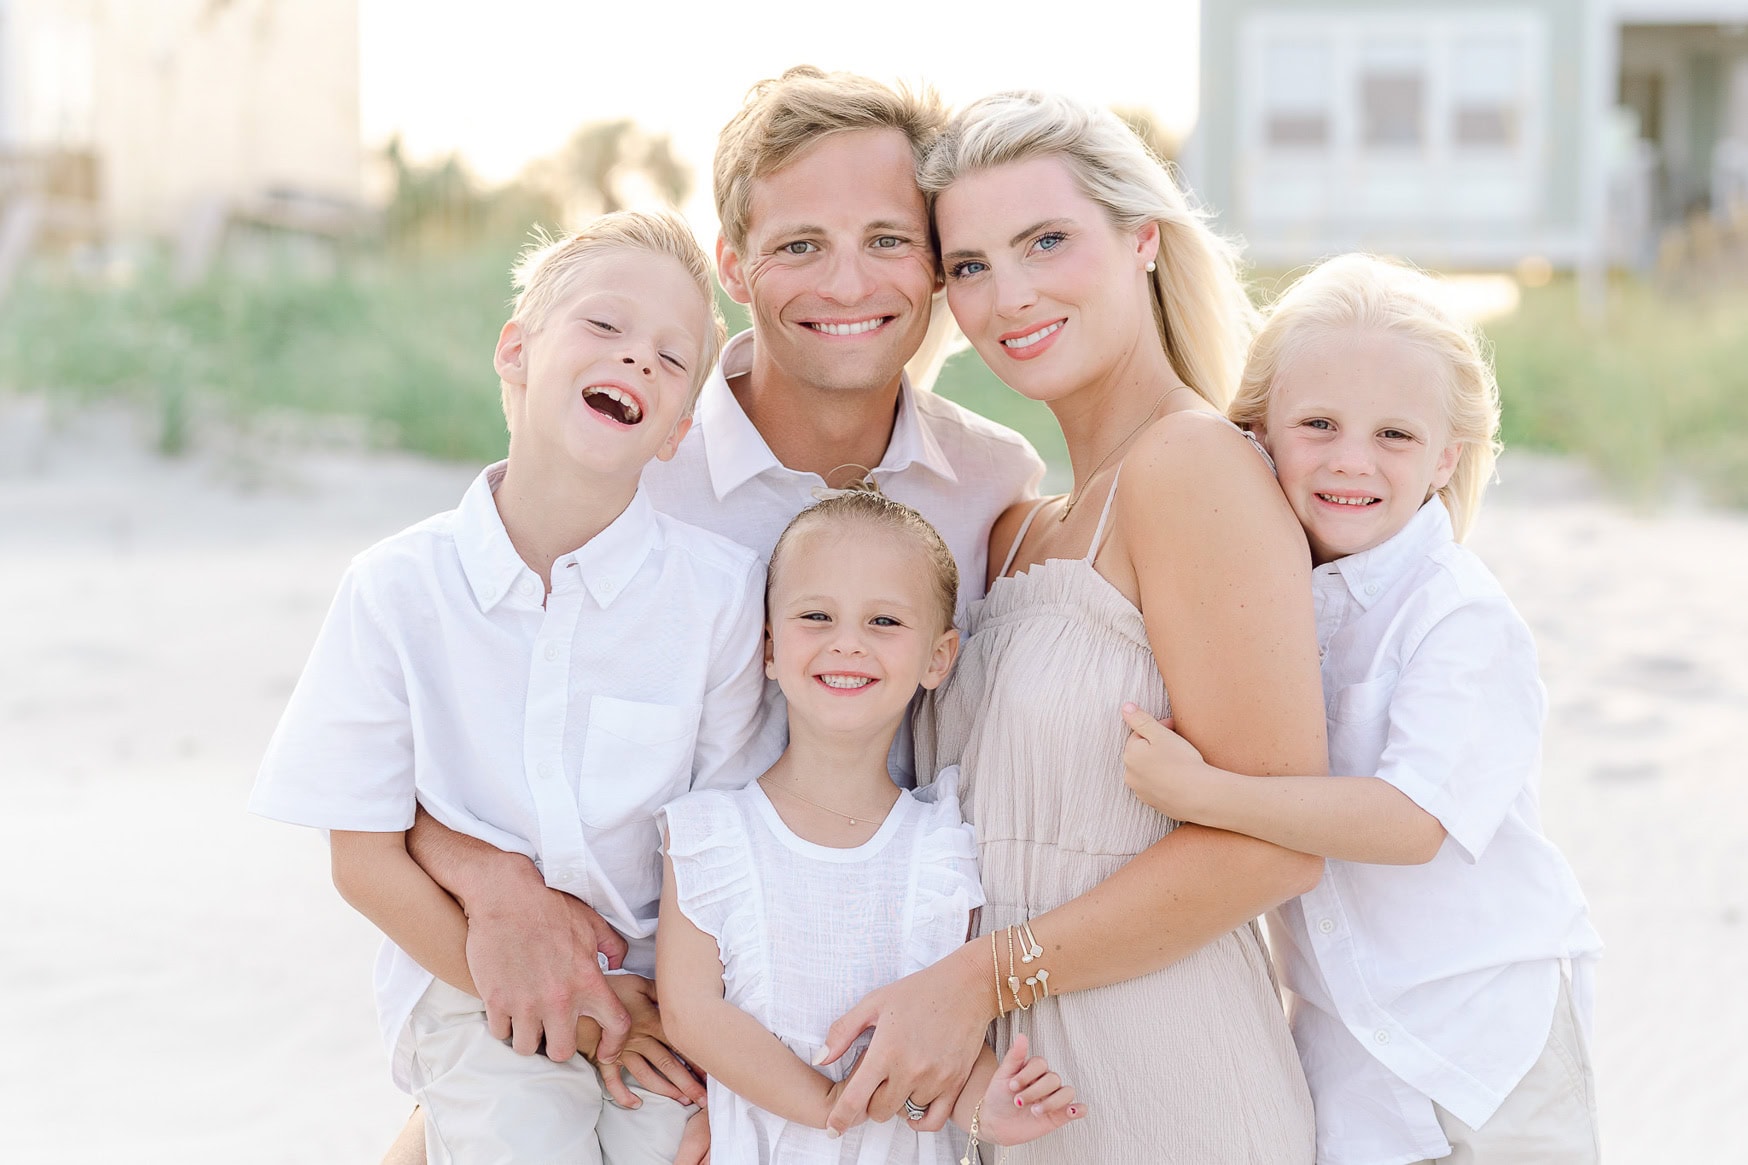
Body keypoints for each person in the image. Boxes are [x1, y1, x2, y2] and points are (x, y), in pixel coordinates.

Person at [389, 65, 1046, 1165]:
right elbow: (431, 751)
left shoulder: (987, 484)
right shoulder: (632, 460)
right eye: (797, 245)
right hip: (612, 1010)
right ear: (734, 265)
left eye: (888, 239)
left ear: (935, 265)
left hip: (856, 1030)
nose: (846, 280)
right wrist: (489, 882)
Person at [812, 90, 1325, 1162]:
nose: (1011, 293)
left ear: (1141, 239)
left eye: (1046, 240)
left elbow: (1275, 845)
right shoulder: (1014, 526)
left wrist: (980, 978)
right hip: (1008, 1103)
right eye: (970, 265)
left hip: (1163, 1088)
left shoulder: (1188, 470)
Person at [250, 210, 778, 1164]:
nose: (637, 361)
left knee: (687, 1146)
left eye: (672, 357)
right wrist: (555, 1001)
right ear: (517, 350)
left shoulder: (719, 598)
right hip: (470, 986)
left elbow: (724, 839)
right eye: (605, 327)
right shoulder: (396, 589)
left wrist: (674, 1011)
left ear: (677, 433)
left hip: (663, 997)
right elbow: (362, 859)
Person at [1120, 253, 1603, 1165]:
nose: (1352, 460)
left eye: (1394, 435)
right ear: (1258, 431)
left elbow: (1412, 819)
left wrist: (1208, 792)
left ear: (1444, 460)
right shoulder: (1264, 597)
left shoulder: (1456, 613)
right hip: (1344, 1042)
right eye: (1319, 424)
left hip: (1486, 1039)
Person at [659, 491, 1088, 1162]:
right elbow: (691, 1013)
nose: (847, 641)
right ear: (769, 647)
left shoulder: (944, 848)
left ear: (938, 658)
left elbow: (948, 1038)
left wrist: (990, 1104)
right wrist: (832, 1109)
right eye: (816, 615)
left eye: (884, 619)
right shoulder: (711, 835)